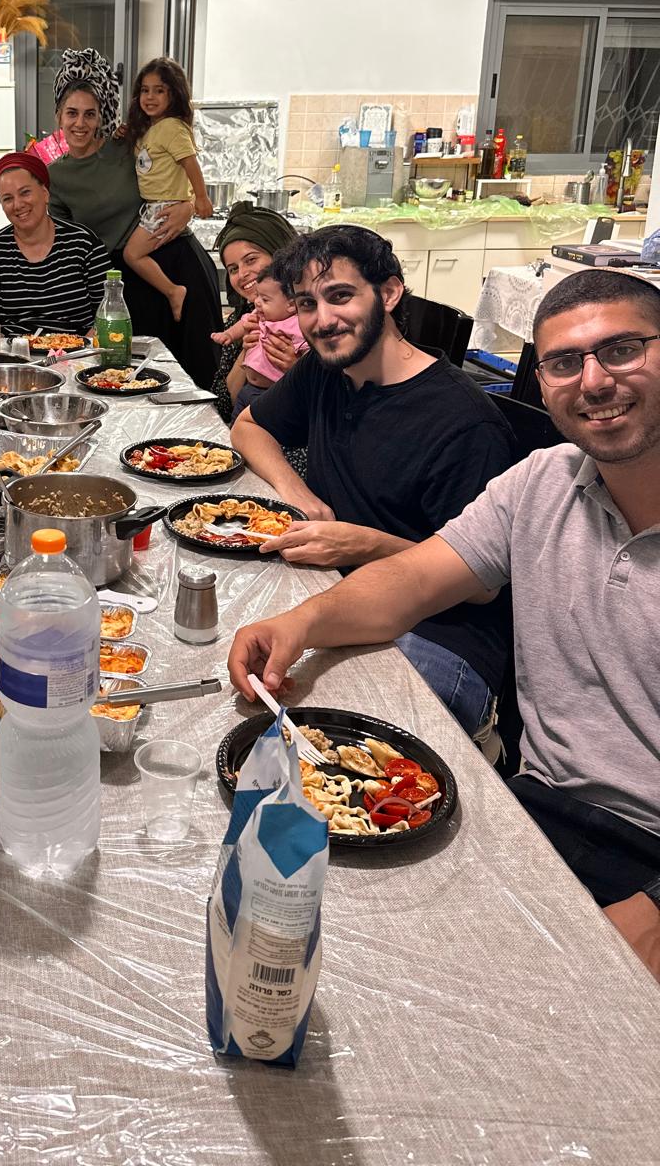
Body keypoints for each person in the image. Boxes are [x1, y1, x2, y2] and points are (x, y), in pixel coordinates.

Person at [227, 268, 660, 982]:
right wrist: (300, 622)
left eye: (621, 350)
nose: (592, 381)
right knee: (297, 912)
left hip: (646, 861)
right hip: (532, 813)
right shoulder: (544, 480)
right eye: (563, 362)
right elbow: (411, 580)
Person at [231, 223, 515, 734]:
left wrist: (363, 544)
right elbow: (248, 427)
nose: (323, 320)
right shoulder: (325, 370)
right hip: (339, 595)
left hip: (441, 636)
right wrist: (299, 492)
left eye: (340, 296)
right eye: (307, 304)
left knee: (299, 739)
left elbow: (482, 588)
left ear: (388, 293)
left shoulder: (465, 422)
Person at [45, 49, 223, 388]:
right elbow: (65, 245)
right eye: (72, 113)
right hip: (121, 285)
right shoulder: (55, 177)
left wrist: (188, 205)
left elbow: (176, 171)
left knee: (198, 370)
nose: (80, 123)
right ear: (58, 116)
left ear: (101, 116)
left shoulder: (126, 144)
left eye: (90, 114)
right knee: (131, 379)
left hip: (178, 262)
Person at [0, 152, 110, 336]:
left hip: (81, 350)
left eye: (25, 193)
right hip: (14, 352)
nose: (18, 204)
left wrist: (80, 350)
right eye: (8, 198)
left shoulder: (84, 244)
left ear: (45, 193)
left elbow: (109, 312)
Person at [119, 58, 213, 321]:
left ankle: (173, 291)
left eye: (159, 90)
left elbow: (190, 163)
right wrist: (124, 132)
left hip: (164, 206)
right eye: (145, 90)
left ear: (174, 94)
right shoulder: (152, 129)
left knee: (132, 254)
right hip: (154, 205)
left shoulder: (172, 127)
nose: (150, 97)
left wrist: (201, 198)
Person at [209, 202, 302, 424]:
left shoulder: (314, 318)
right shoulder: (241, 320)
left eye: (251, 260)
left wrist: (298, 369)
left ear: (280, 254)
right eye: (233, 269)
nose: (242, 274)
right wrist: (247, 351)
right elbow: (223, 406)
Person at [212, 268, 308, 386]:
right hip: (248, 387)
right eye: (257, 295)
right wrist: (229, 334)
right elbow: (243, 323)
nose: (257, 302)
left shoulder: (294, 324)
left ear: (291, 305)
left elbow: (307, 351)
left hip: (276, 388)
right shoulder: (259, 315)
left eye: (265, 299)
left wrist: (299, 367)